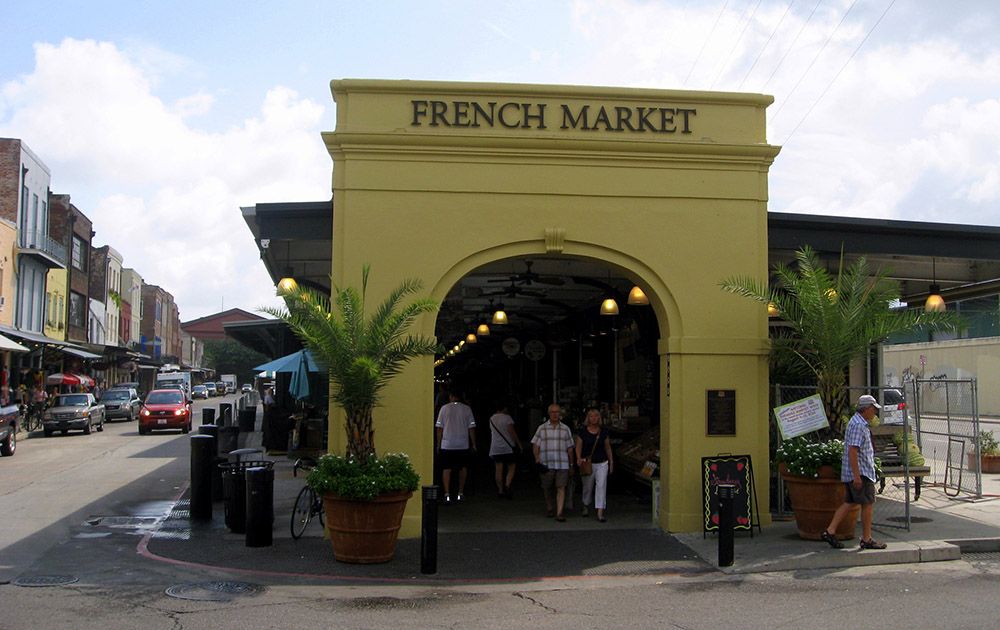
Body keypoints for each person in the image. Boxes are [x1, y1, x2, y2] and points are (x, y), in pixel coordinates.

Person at [821, 394, 887, 550]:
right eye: (873, 409)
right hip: (861, 472)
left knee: (849, 502)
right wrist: (857, 477)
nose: (875, 413)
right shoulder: (858, 425)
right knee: (867, 503)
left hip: (856, 472)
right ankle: (866, 538)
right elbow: (853, 450)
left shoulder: (856, 422)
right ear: (866, 409)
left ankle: (830, 531)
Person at [531, 403, 575, 521]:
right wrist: (537, 458)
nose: (555, 414)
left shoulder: (565, 429)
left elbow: (570, 448)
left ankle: (559, 512)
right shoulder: (542, 428)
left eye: (557, 412)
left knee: (561, 487)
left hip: (562, 462)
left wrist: (571, 464)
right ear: (549, 413)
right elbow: (536, 444)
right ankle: (550, 507)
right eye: (553, 412)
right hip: (546, 463)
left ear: (560, 414)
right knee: (547, 487)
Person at [435, 391, 476, 503]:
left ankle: (447, 494)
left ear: (450, 396)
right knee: (462, 468)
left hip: (447, 443)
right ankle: (460, 492)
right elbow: (471, 427)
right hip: (462, 443)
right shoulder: (467, 409)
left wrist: (438, 444)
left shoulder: (444, 408)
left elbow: (439, 428)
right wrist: (474, 443)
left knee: (446, 468)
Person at [575, 407, 614, 522]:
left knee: (601, 486)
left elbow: (608, 447)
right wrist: (578, 458)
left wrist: (611, 461)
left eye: (596, 416)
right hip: (588, 463)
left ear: (599, 418)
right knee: (588, 486)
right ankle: (585, 504)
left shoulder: (604, 432)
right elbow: (578, 446)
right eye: (591, 416)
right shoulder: (583, 431)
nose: (594, 418)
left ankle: (600, 511)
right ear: (588, 418)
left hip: (602, 462)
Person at [488, 401, 522, 499]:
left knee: (498, 469)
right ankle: (507, 484)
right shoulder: (507, 418)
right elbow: (512, 432)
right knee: (511, 466)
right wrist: (518, 444)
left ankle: (500, 490)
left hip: (495, 447)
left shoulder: (491, 418)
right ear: (504, 408)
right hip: (508, 447)